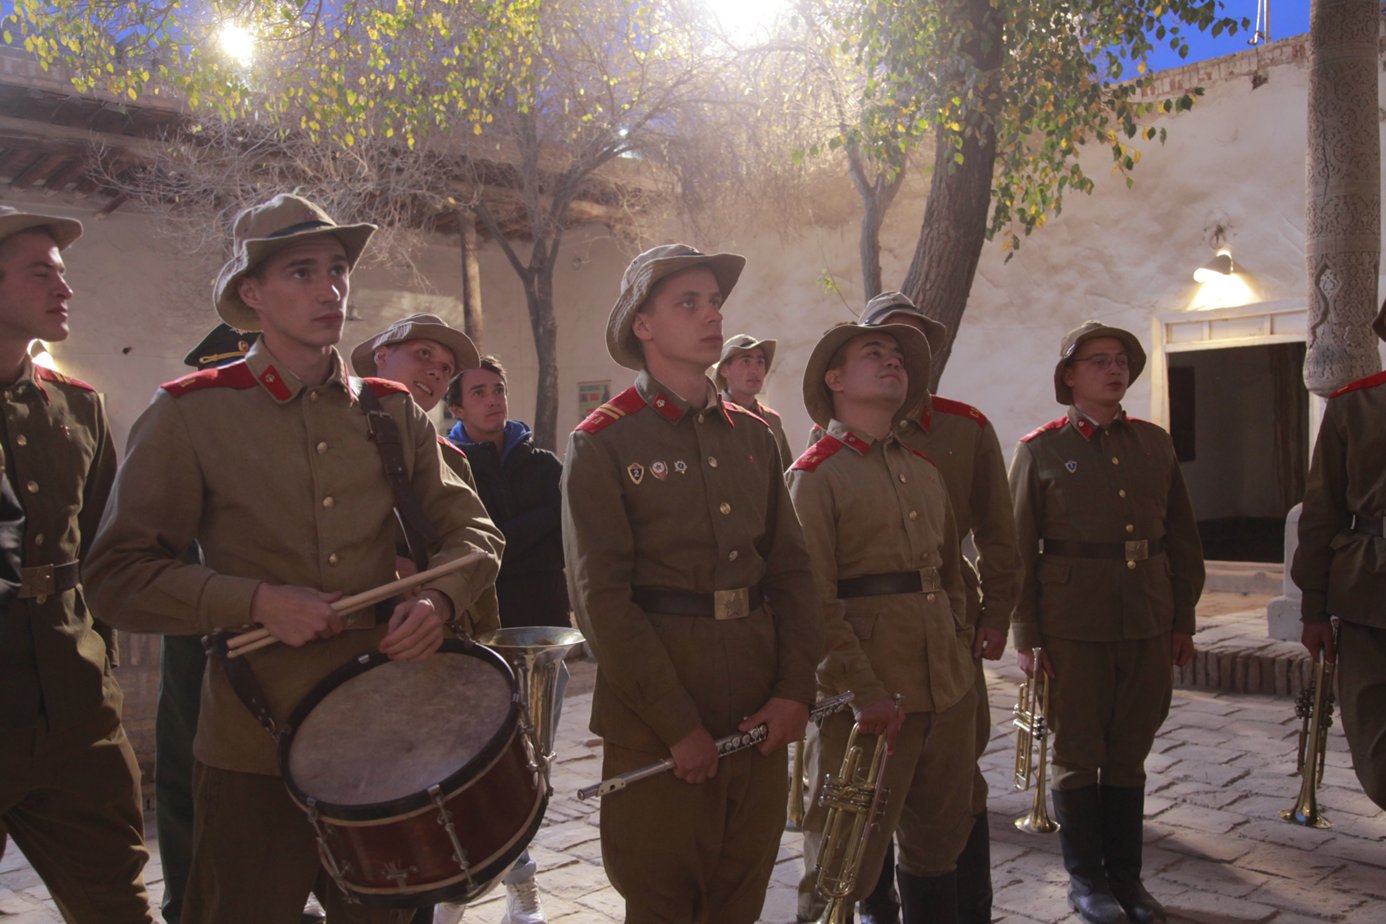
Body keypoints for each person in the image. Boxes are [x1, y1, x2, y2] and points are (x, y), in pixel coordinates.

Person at [84, 193, 504, 924]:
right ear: (252, 294)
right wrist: (251, 602)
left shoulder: (390, 410)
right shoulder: (191, 413)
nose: (329, 289)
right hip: (253, 742)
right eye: (302, 272)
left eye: (337, 270)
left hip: (382, 736)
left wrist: (437, 603)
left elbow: (475, 536)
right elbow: (116, 578)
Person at [562, 243, 821, 923]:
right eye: (688, 303)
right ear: (643, 325)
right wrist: (677, 726)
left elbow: (792, 572)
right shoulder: (604, 442)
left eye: (714, 303)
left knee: (740, 895)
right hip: (659, 713)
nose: (711, 316)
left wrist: (796, 689)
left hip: (757, 699)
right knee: (664, 900)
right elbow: (604, 603)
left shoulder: (754, 436)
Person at [1009, 321, 1203, 924]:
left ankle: (1128, 878)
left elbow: (1181, 537)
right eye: (1097, 361)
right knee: (1077, 750)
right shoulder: (1041, 450)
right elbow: (1019, 551)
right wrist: (1029, 637)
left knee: (1130, 750)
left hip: (1146, 615)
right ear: (1070, 376)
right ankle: (1086, 881)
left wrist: (1182, 616)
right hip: (1074, 623)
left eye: (1120, 360)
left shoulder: (1154, 443)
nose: (1113, 369)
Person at [788, 322, 975, 924]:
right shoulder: (816, 475)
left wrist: (957, 643)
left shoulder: (922, 469)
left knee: (936, 851)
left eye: (898, 356)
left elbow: (951, 574)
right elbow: (811, 601)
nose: (892, 361)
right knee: (844, 859)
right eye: (875, 354)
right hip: (867, 699)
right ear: (835, 380)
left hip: (942, 687)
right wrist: (859, 689)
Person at [0, 206, 154, 922]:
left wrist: (103, 670)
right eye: (41, 274)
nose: (64, 291)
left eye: (63, 277)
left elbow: (104, 556)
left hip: (76, 711)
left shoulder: (79, 410)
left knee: (117, 905)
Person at [857, 292, 1021, 924]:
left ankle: (966, 907)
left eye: (911, 345)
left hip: (951, 629)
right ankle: (876, 903)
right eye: (884, 344)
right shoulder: (837, 437)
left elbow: (1000, 534)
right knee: (874, 778)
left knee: (958, 779)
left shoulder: (966, 427)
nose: (898, 357)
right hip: (874, 637)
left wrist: (997, 612)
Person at [1291, 297, 1386, 812]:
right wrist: (1313, 605)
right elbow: (1322, 509)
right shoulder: (1355, 405)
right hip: (1370, 589)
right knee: (1373, 731)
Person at [446, 355, 569, 630]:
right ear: (457, 409)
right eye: (479, 393)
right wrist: (546, 516)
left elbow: (567, 544)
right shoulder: (447, 470)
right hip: (483, 620)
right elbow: (472, 554)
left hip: (547, 616)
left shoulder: (545, 465)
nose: (493, 400)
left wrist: (505, 543)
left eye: (498, 390)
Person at [714, 333, 794, 468]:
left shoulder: (772, 420)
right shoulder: (712, 416)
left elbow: (785, 476)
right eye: (746, 361)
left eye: (760, 362)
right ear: (724, 370)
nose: (755, 370)